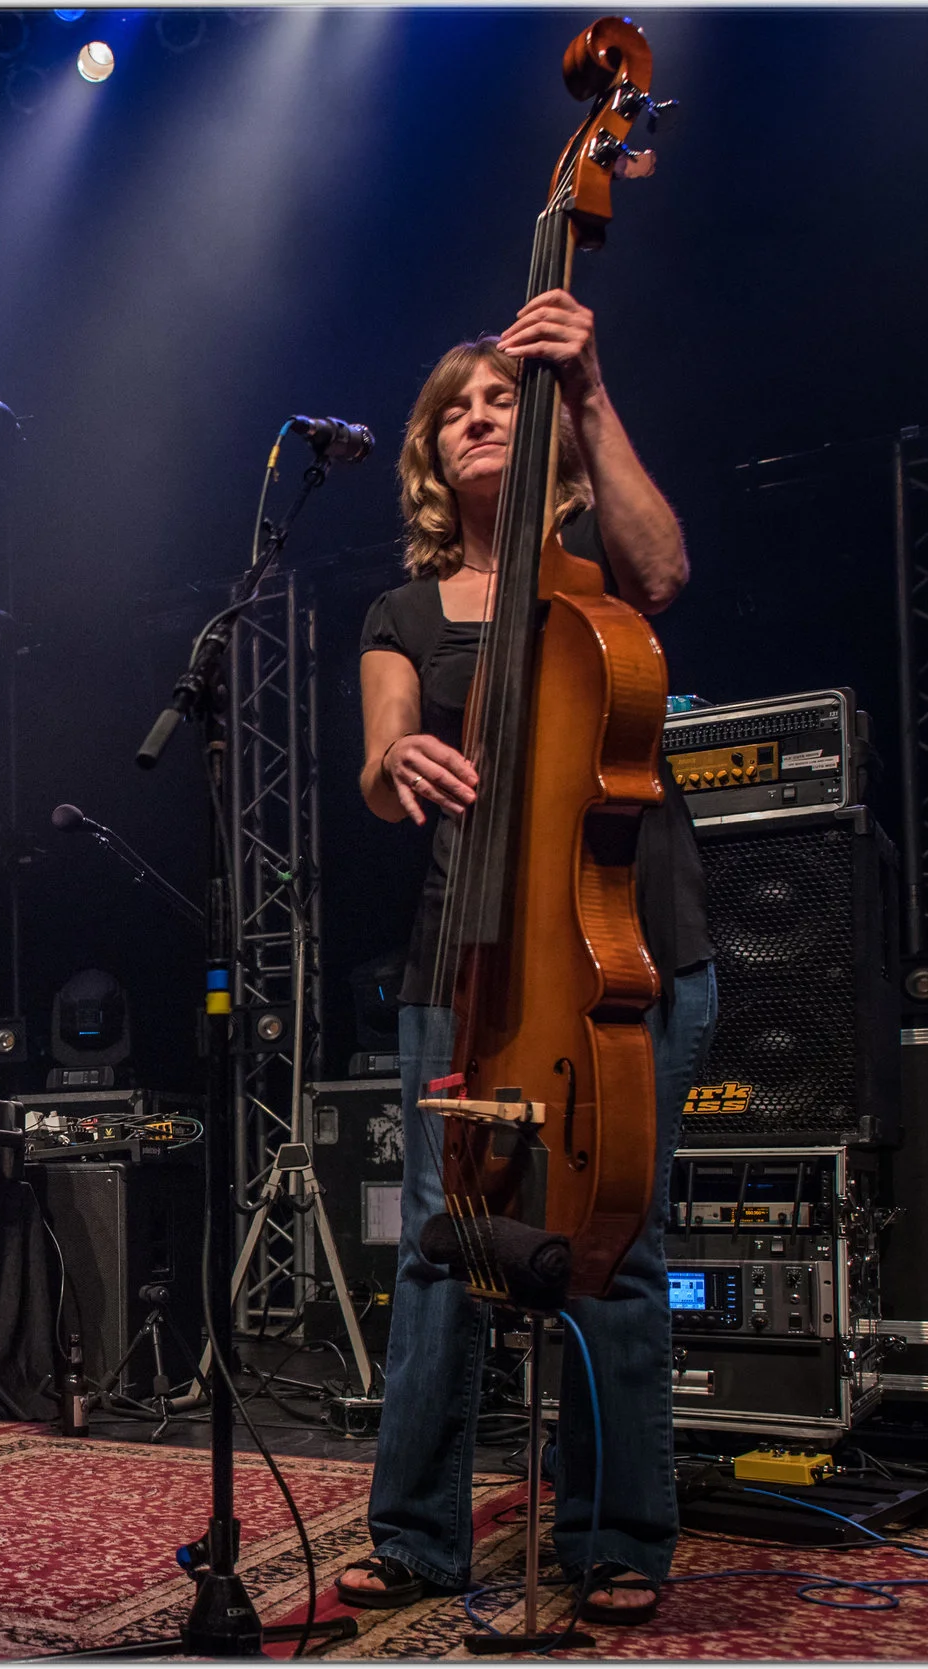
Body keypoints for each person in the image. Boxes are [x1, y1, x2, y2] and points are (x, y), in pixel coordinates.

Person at [340, 291, 717, 1624]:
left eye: (503, 397)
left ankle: (618, 1537)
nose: (480, 417)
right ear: (430, 456)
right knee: (441, 1242)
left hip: (624, 945)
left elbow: (666, 574)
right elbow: (379, 768)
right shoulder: (402, 610)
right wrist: (399, 756)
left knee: (613, 1236)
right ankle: (416, 1532)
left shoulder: (598, 576)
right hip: (468, 965)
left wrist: (592, 391)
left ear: (543, 425)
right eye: (455, 410)